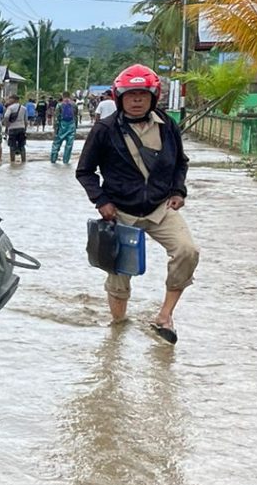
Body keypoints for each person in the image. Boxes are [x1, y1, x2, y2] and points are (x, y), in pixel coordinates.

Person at [75, 64, 199, 344]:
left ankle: (165, 316)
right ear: (119, 97)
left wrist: (178, 191)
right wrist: (101, 201)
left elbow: (181, 162)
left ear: (154, 97)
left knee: (187, 251)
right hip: (120, 210)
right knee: (119, 275)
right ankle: (118, 327)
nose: (137, 100)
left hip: (159, 208)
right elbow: (85, 171)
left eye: (143, 94)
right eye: (131, 95)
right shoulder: (105, 129)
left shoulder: (167, 126)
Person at [50, 92, 77, 165]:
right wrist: (75, 128)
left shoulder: (59, 105)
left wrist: (55, 128)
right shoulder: (74, 104)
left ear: (63, 96)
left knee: (56, 143)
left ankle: (53, 160)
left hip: (62, 126)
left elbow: (56, 118)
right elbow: (76, 117)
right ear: (70, 96)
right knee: (69, 145)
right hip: (71, 126)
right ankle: (66, 161)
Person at [3, 92, 27, 162]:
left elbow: (6, 116)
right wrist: (25, 129)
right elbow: (26, 121)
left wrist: (7, 125)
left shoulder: (10, 108)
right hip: (21, 128)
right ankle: (23, 161)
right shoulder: (23, 108)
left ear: (14, 99)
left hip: (12, 128)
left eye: (10, 99)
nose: (9, 100)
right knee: (22, 146)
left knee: (12, 146)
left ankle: (12, 162)